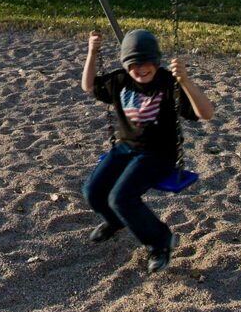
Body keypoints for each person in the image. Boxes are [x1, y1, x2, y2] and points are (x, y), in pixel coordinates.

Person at [80, 28, 215, 274]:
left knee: (121, 197)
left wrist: (185, 80)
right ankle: (116, 221)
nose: (140, 69)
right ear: (125, 64)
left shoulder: (167, 83)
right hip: (124, 149)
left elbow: (206, 113)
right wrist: (92, 51)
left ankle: (160, 241)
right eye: (133, 64)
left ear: (156, 61)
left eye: (146, 63)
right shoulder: (120, 80)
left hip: (158, 154)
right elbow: (88, 86)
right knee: (92, 191)